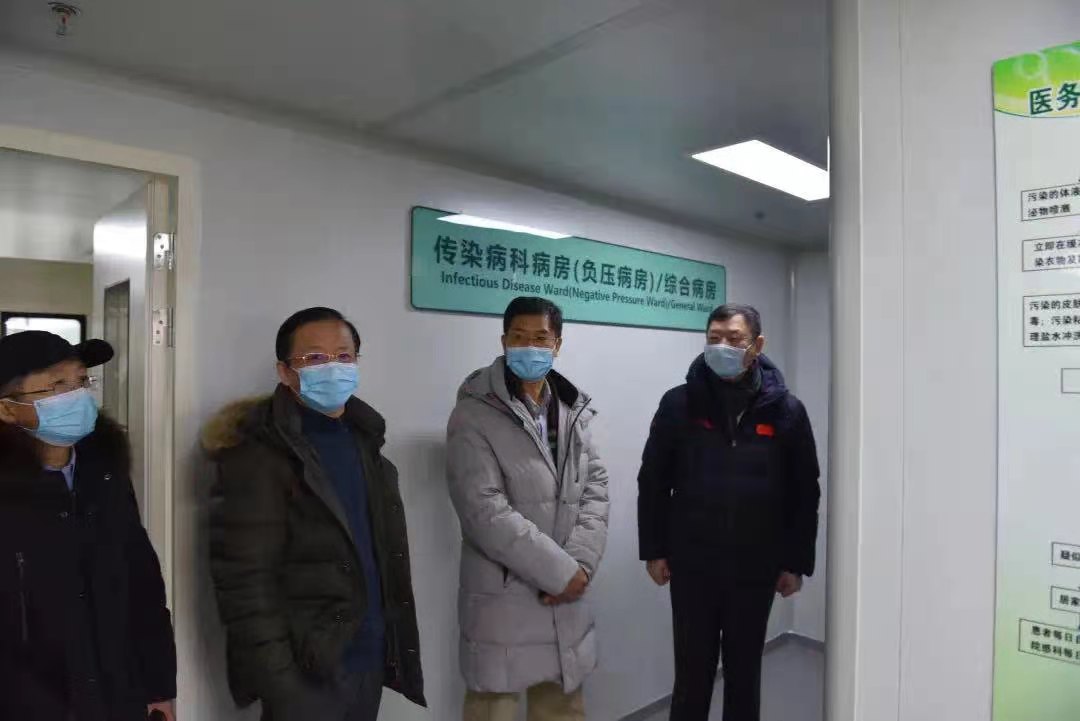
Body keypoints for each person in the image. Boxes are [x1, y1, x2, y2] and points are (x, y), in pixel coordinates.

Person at [204, 307, 425, 721]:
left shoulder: (365, 441)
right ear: (285, 372)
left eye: (343, 356)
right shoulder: (258, 454)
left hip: (367, 659)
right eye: (315, 358)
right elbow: (244, 583)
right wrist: (281, 683)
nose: (332, 367)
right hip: (306, 673)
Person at [637, 304, 821, 721]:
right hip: (693, 565)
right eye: (713, 338)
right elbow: (653, 480)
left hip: (756, 567)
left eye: (734, 339)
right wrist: (655, 549)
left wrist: (795, 562)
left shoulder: (786, 411)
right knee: (692, 674)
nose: (722, 346)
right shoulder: (679, 403)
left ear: (757, 345)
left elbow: (804, 492)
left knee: (744, 673)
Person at [446, 296, 610, 721]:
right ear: (504, 341)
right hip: (506, 597)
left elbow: (595, 486)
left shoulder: (571, 410)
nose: (529, 347)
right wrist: (560, 573)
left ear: (557, 344)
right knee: (493, 708)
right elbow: (484, 511)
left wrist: (580, 565)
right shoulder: (473, 414)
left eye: (541, 338)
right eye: (519, 337)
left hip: (566, 594)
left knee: (561, 708)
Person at [0, 331, 176, 721]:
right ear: (8, 409)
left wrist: (159, 687)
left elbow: (143, 586)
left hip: (117, 697)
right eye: (57, 385)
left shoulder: (105, 475)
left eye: (81, 381)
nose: (77, 395)